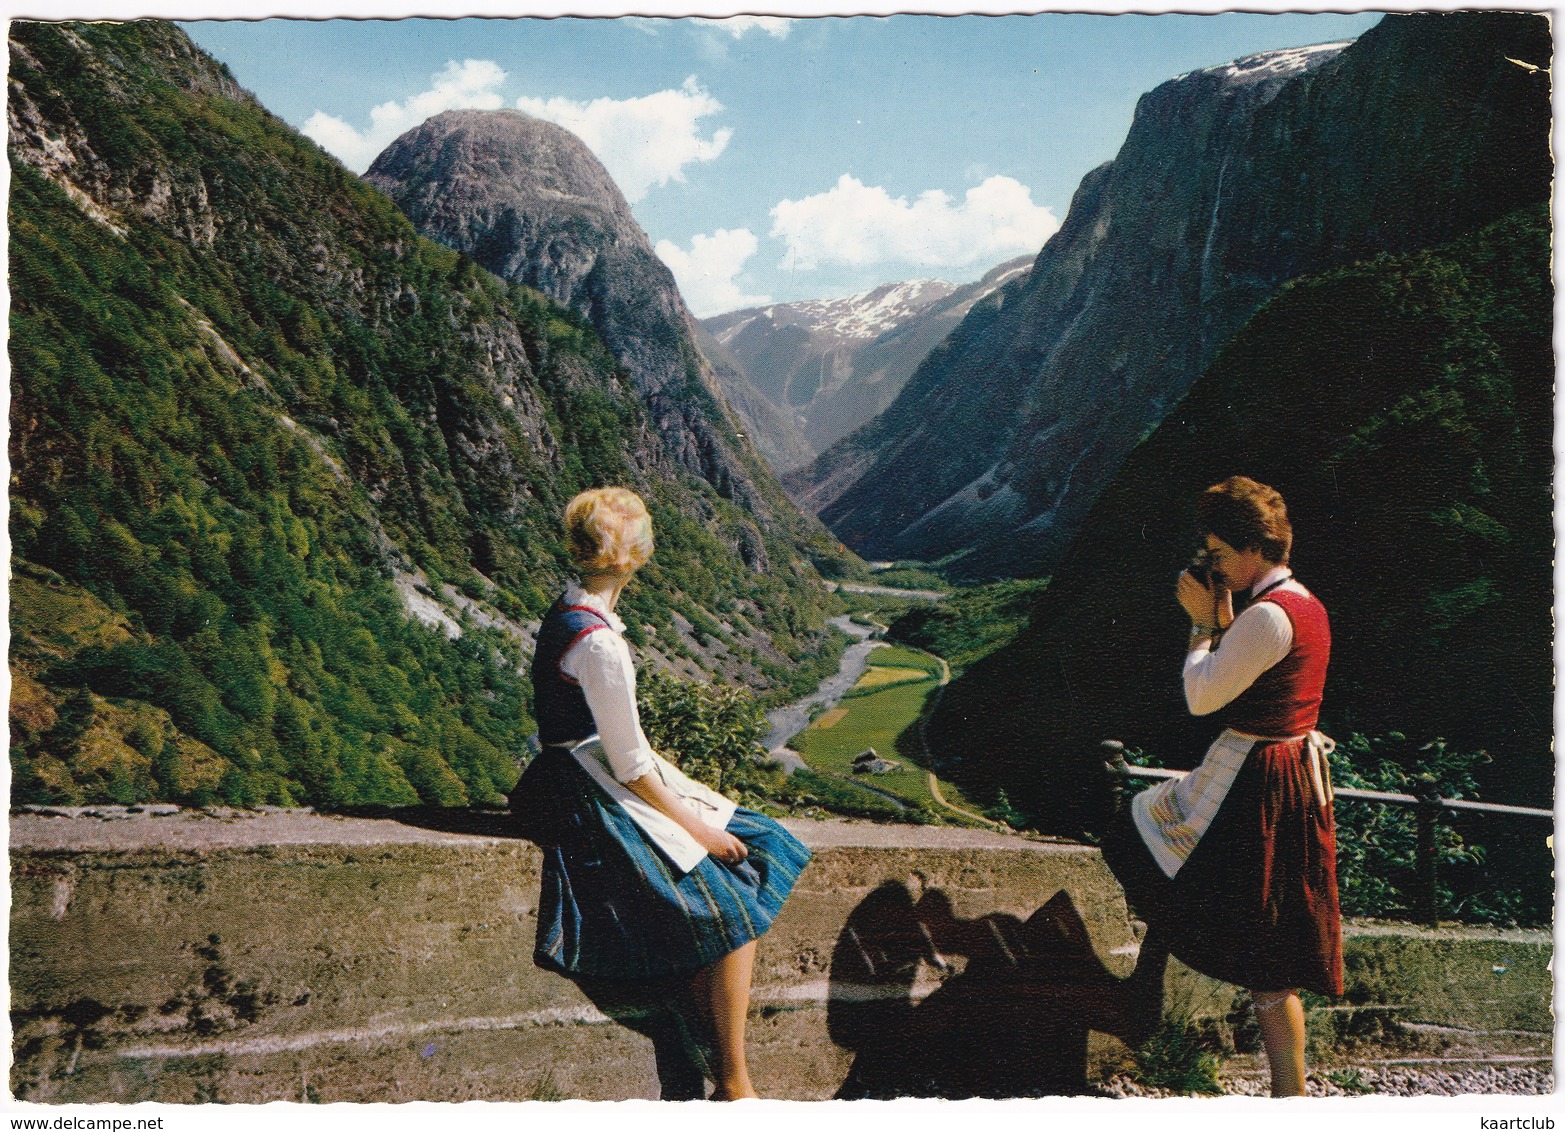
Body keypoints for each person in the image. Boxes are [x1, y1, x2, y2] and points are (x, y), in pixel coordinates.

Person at [514, 486, 811, 1100]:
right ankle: (735, 1083)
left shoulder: (568, 611)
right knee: (729, 902)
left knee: (756, 846)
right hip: (590, 786)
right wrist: (699, 826)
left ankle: (710, 1050)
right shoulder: (600, 643)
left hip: (567, 771)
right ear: (631, 558)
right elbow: (629, 764)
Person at [1101, 476, 1341, 1097]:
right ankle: (1288, 1090)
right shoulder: (1305, 603)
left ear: (1252, 551)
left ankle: (1285, 1093)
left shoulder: (1265, 617)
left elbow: (1201, 695)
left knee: (1145, 839)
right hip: (1288, 779)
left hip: (1256, 781)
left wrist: (1201, 625)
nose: (1210, 563)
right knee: (1266, 937)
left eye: (1218, 552)